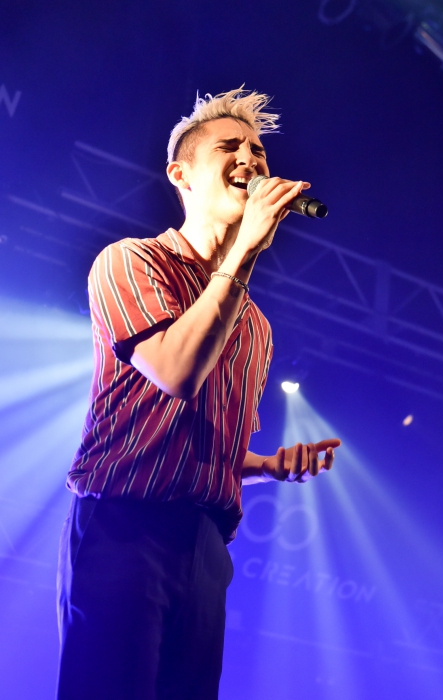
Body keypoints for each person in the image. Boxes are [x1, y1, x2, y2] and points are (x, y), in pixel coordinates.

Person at [56, 87, 341, 700]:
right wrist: (244, 253)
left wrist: (267, 465)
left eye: (258, 152)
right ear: (180, 174)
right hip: (124, 526)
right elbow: (175, 372)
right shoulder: (132, 262)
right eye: (229, 147)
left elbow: (201, 442)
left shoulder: (255, 326)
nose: (250, 160)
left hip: (206, 547)